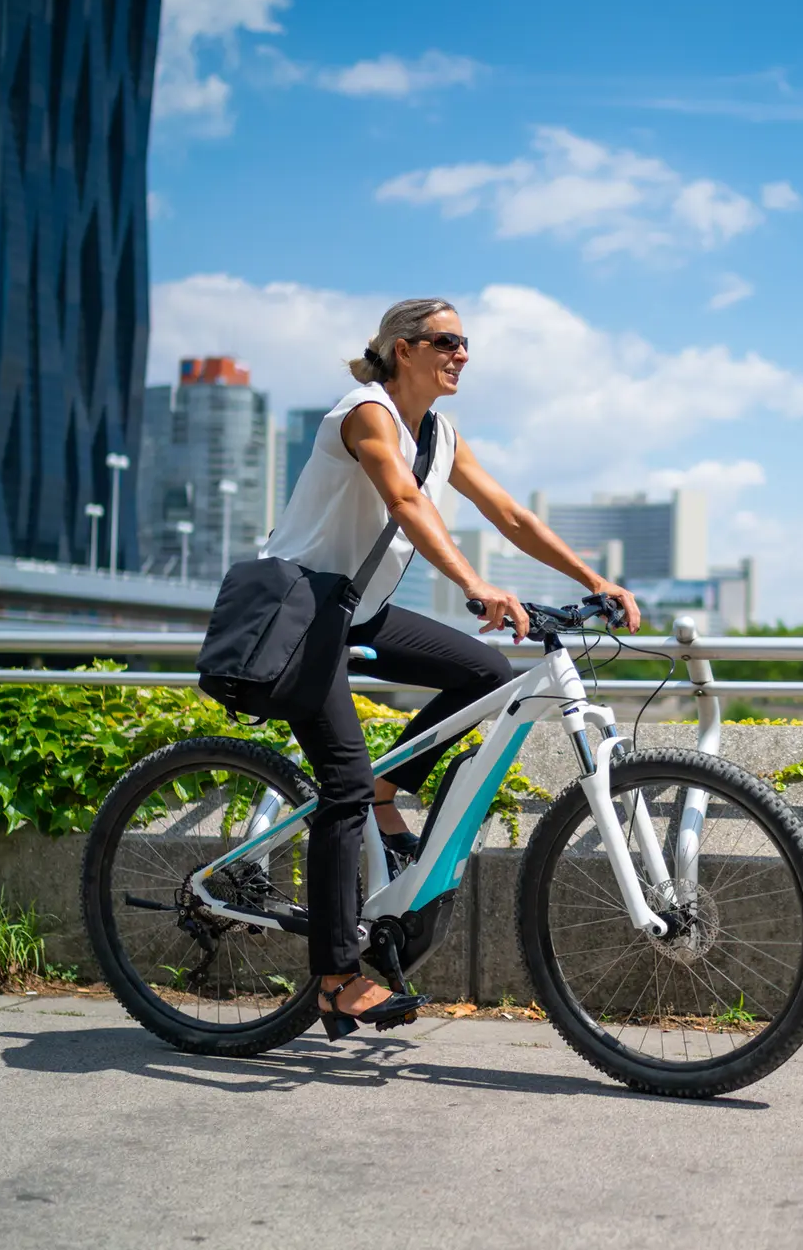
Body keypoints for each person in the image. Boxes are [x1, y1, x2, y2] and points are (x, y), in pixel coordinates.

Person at [260, 297, 642, 1033]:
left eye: (467, 343)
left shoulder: (439, 432)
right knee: (335, 790)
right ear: (404, 348)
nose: (462, 353)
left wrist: (593, 581)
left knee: (489, 676)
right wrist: (474, 584)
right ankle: (337, 977)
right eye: (447, 341)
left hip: (356, 608)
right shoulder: (365, 411)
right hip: (300, 609)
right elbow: (402, 499)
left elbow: (512, 516)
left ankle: (387, 787)